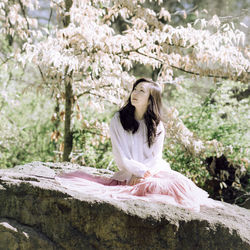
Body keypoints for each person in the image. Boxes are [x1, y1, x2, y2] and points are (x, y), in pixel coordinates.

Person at [56, 78, 223, 212]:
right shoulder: (118, 119)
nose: (134, 93)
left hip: (154, 171)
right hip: (129, 174)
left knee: (178, 185)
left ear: (150, 100)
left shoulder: (157, 125)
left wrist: (144, 173)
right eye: (134, 89)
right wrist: (138, 172)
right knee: (149, 189)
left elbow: (156, 158)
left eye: (141, 91)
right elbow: (121, 158)